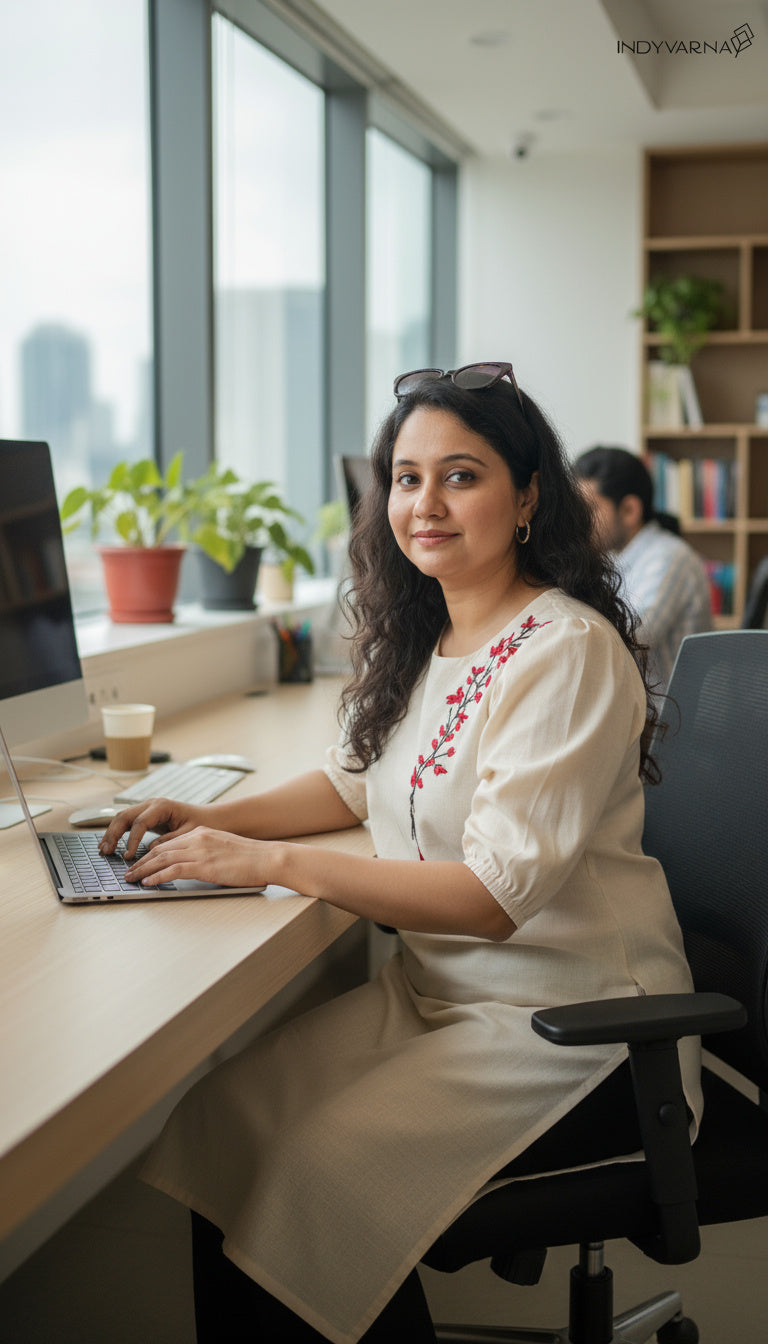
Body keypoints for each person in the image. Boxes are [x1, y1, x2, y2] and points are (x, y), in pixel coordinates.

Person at [100, 363, 702, 1344]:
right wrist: (209, 818)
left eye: (461, 476)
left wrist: (267, 865)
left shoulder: (564, 650)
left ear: (527, 496)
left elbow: (493, 897)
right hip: (441, 1001)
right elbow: (350, 783)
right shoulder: (430, 637)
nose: (426, 503)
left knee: (315, 1175)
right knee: (224, 1122)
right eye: (407, 478)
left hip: (580, 1029)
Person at [572, 445, 712, 693]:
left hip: (669, 722)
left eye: (589, 510)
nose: (579, 522)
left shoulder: (669, 557)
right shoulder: (619, 559)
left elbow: (628, 640)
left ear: (629, 510)